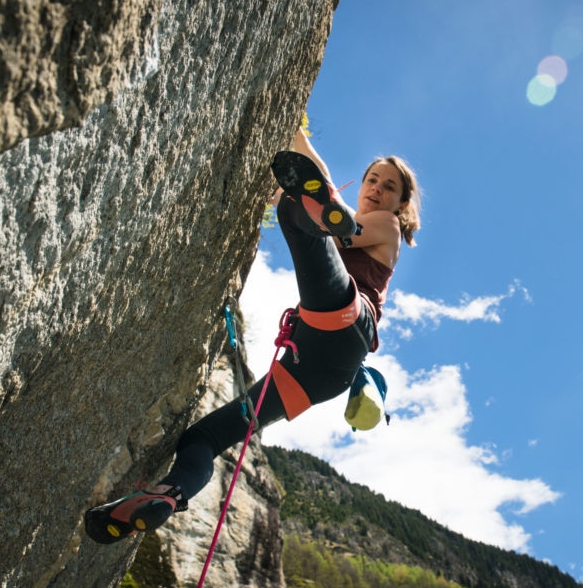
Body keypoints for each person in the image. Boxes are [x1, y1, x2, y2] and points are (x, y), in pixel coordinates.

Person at [85, 128, 420, 543]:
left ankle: (310, 207)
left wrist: (294, 201)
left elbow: (342, 230)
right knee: (204, 437)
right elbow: (324, 194)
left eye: (389, 187)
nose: (376, 189)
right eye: (372, 179)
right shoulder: (341, 214)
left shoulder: (386, 226)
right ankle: (170, 493)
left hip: (347, 318)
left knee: (301, 211)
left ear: (401, 204)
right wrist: (297, 134)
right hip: (319, 372)